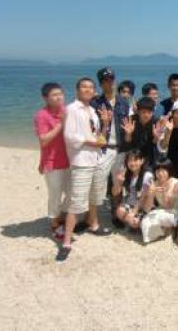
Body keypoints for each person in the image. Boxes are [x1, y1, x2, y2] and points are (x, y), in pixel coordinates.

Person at [58, 77, 112, 262]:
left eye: (91, 87)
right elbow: (69, 136)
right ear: (77, 90)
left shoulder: (93, 111)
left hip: (95, 159)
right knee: (76, 202)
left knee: (95, 196)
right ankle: (66, 242)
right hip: (81, 162)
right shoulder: (72, 109)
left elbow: (100, 138)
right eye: (84, 87)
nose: (88, 90)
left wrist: (106, 123)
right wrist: (92, 143)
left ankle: (93, 224)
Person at [33, 82, 70, 241]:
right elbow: (44, 140)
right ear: (45, 98)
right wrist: (61, 124)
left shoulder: (66, 111)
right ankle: (55, 223)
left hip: (70, 159)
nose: (59, 97)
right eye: (54, 95)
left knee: (73, 192)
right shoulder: (41, 115)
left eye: (60, 94)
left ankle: (61, 215)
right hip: (53, 162)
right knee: (55, 195)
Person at [91, 67, 131, 185]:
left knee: (118, 183)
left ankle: (116, 199)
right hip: (102, 150)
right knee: (98, 183)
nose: (110, 82)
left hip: (120, 150)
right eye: (106, 80)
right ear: (100, 84)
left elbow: (127, 125)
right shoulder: (95, 103)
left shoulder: (123, 102)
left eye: (112, 78)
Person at [141, 157, 178, 243]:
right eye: (158, 171)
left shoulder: (175, 182)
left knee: (157, 217)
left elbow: (169, 206)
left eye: (163, 171)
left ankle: (170, 229)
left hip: (176, 213)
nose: (160, 174)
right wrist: (151, 194)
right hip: (162, 211)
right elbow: (147, 209)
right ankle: (164, 231)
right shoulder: (155, 184)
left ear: (169, 171)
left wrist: (166, 192)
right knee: (145, 220)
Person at [111, 150, 153, 230]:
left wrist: (133, 212)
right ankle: (132, 222)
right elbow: (115, 193)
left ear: (142, 161)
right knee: (119, 211)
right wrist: (118, 182)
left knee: (135, 222)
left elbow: (144, 197)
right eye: (129, 160)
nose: (132, 163)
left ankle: (136, 222)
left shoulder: (147, 175)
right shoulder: (125, 174)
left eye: (135, 160)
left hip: (143, 207)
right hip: (130, 205)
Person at [120, 97, 157, 168]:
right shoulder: (130, 121)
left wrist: (156, 137)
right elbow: (126, 143)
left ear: (152, 112)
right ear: (138, 112)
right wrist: (128, 134)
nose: (146, 115)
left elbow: (155, 145)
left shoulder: (155, 123)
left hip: (149, 157)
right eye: (143, 112)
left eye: (149, 112)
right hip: (131, 156)